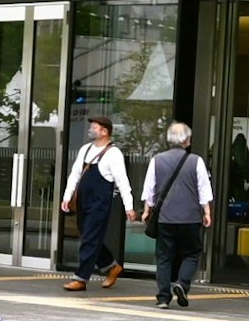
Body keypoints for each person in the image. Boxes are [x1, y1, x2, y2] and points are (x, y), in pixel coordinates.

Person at [136, 121, 215, 308]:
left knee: (164, 257)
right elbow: (204, 189)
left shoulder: (157, 160)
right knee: (192, 253)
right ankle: (182, 283)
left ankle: (163, 298)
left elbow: (150, 189)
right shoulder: (196, 161)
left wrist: (147, 210)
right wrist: (207, 212)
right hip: (190, 218)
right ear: (187, 140)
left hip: (165, 217)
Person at [57, 116, 131, 292]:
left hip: (100, 202)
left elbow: (122, 181)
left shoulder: (113, 153)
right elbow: (75, 174)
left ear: (105, 131)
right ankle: (111, 266)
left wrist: (129, 207)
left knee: (90, 238)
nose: (91, 129)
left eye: (94, 127)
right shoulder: (85, 149)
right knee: (89, 236)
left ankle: (81, 278)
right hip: (83, 200)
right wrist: (67, 197)